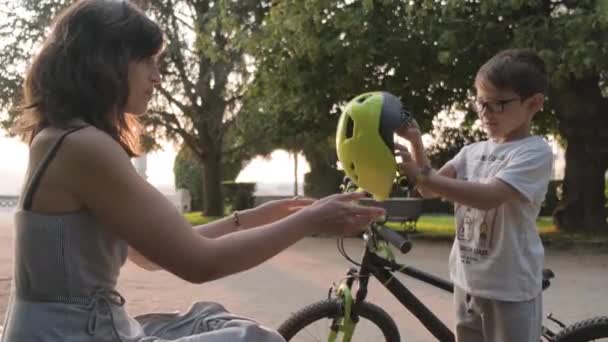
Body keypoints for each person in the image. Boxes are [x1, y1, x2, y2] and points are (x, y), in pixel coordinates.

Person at [0, 1, 385, 341]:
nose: (158, 77)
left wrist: (254, 217)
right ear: (109, 61)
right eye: (148, 61)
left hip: (68, 327)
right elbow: (200, 263)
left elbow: (153, 254)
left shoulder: (63, 138)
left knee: (210, 319)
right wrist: (312, 219)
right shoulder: (84, 145)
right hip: (70, 334)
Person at [396, 49, 553, 342]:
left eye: (498, 104)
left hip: (510, 289)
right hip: (466, 282)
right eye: (481, 103)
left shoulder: (534, 151)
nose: (485, 113)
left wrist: (420, 173)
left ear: (534, 103)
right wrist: (417, 143)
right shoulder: (472, 151)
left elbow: (489, 196)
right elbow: (429, 188)